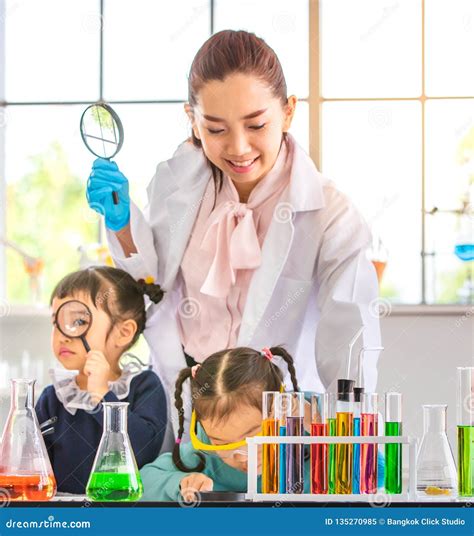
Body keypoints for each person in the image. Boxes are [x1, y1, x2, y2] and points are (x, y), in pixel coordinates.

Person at [86, 30, 381, 435]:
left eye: (256, 124)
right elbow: (152, 292)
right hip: (184, 406)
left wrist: (356, 437)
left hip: (274, 421)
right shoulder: (174, 185)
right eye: (216, 129)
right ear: (192, 120)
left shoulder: (330, 213)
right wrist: (122, 227)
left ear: (289, 111)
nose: (239, 147)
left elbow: (352, 335)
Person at [35, 266, 168, 493]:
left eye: (77, 322)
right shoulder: (53, 397)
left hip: (123, 514)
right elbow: (35, 464)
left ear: (123, 332)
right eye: (56, 323)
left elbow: (143, 451)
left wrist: (103, 396)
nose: (62, 336)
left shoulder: (144, 386)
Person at [139, 346, 306, 501]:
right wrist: (182, 482)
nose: (241, 455)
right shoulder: (205, 455)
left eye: (254, 435)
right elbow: (144, 480)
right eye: (222, 443)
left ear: (280, 409)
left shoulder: (314, 428)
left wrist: (315, 423)